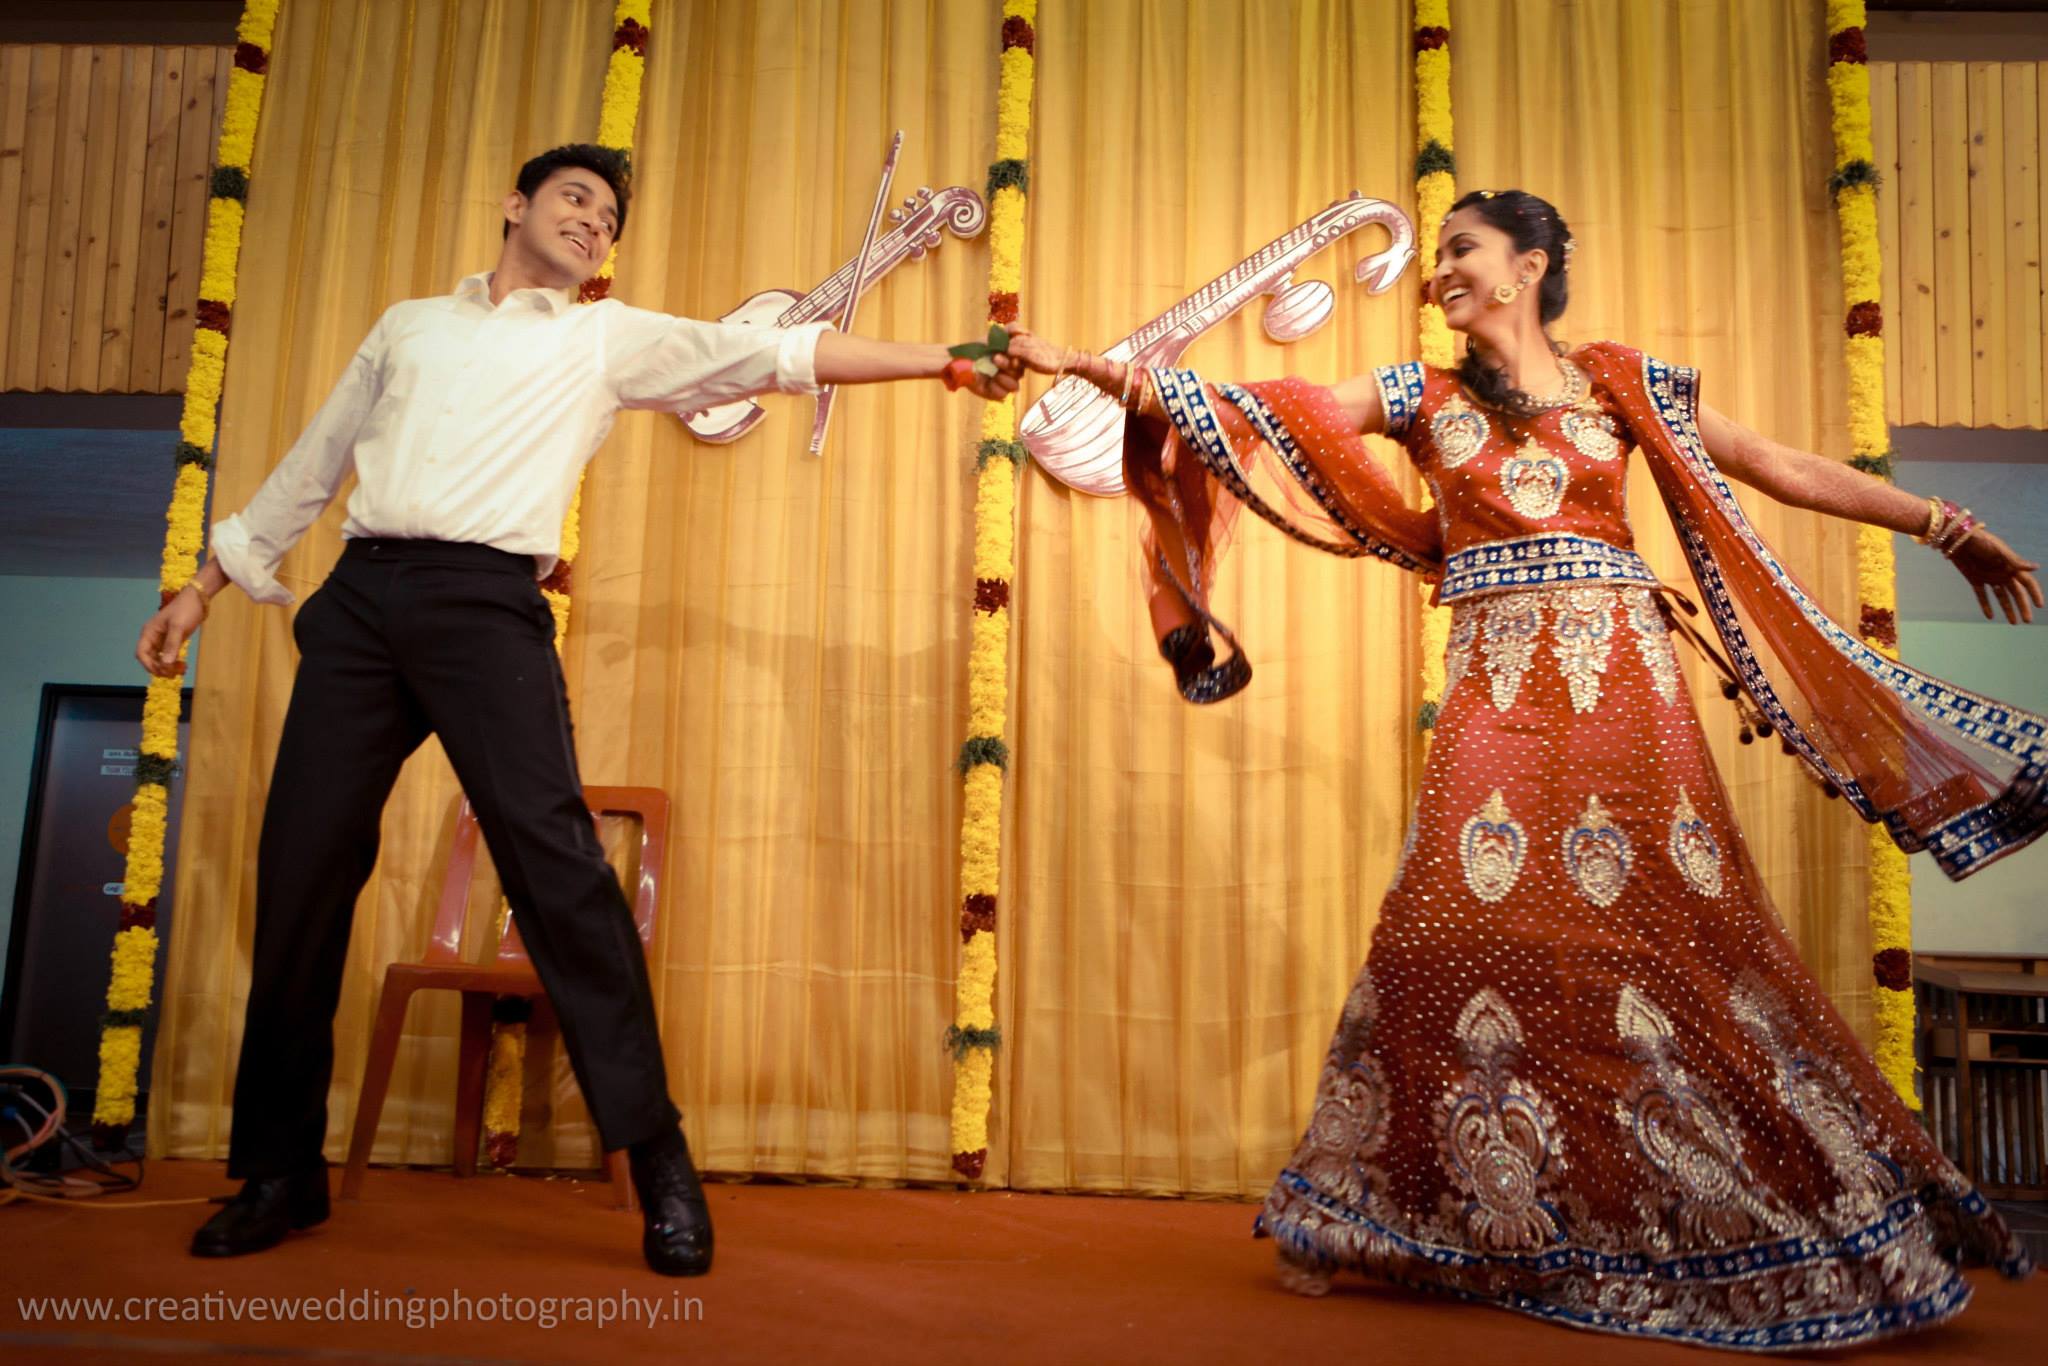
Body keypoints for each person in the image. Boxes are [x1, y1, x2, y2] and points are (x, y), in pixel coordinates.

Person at [1005, 187, 2043, 1350]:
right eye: (1437, 252)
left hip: (1623, 699)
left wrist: (1943, 526)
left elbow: (1778, 465)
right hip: (1496, 697)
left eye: (1461, 250)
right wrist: (1096, 373)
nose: (1439, 269)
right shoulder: (1421, 393)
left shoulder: (1617, 384)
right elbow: (1259, 413)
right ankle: (1364, 1208)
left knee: (1682, 942)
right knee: (1440, 931)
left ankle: (1753, 1209)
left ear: (1525, 267)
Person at [136, 143, 1022, 1277]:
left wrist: (943, 362)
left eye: (607, 215)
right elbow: (315, 462)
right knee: (300, 866)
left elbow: (775, 349)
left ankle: (656, 1159)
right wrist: (207, 584)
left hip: (486, 603)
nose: (592, 222)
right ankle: (277, 1171)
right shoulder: (409, 325)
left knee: (557, 870)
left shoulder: (602, 339)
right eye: (573, 199)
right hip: (360, 606)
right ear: (515, 206)